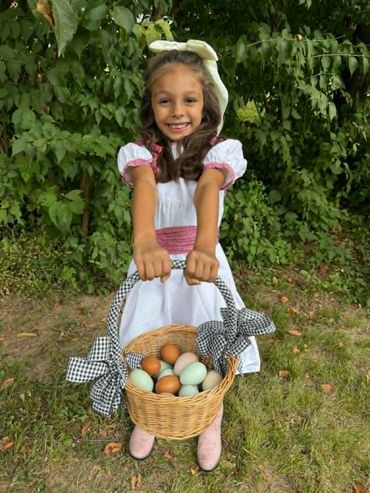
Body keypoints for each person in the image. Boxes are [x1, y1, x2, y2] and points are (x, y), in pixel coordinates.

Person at [117, 40, 261, 471]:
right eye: (165, 101)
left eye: (189, 100)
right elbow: (143, 186)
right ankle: (152, 406)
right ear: (152, 106)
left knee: (206, 337)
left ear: (206, 104)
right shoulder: (143, 154)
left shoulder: (218, 152)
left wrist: (203, 244)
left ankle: (209, 413)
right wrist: (144, 240)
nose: (177, 111)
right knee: (150, 334)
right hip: (154, 264)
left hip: (201, 262)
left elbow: (206, 188)